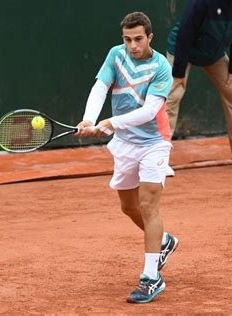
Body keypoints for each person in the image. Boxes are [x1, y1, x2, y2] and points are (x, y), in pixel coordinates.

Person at [75, 12, 179, 304]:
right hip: (124, 144)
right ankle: (163, 240)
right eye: (127, 39)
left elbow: (149, 111)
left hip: (154, 143)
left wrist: (109, 123)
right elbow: (100, 88)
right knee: (128, 207)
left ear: (149, 38)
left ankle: (151, 277)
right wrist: (88, 119)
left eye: (138, 39)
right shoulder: (115, 55)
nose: (132, 45)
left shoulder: (161, 67)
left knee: (148, 204)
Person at [165, 0, 232, 173]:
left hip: (214, 54)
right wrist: (179, 71)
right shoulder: (203, 2)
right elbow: (185, 32)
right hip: (183, 50)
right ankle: (158, 159)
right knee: (172, 96)